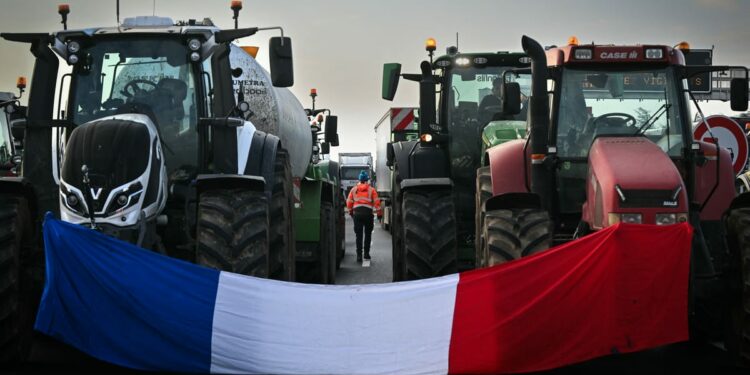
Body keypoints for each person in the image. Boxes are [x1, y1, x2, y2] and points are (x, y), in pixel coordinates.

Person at [346, 171, 381, 262]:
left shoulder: (354, 189)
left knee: (359, 235)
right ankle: (366, 254)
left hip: (357, 214)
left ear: (359, 180)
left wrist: (350, 212)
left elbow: (349, 202)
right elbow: (377, 203)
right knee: (368, 234)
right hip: (368, 214)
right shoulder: (371, 190)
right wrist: (379, 214)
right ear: (367, 180)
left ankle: (358, 256)